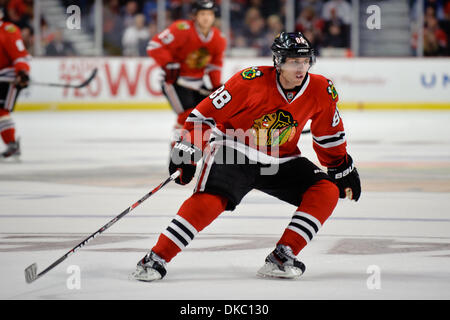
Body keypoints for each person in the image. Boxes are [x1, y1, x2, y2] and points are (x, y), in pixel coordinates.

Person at [131, 32, 361, 281]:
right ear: (278, 61)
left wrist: (340, 165)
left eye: (305, 61)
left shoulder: (321, 90)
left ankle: (283, 255)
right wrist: (187, 148)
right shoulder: (249, 80)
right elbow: (204, 116)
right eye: (293, 61)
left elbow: (329, 134)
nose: (300, 67)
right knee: (211, 201)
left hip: (280, 158)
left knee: (325, 190)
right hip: (236, 148)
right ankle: (156, 258)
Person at [146, 0, 226, 147]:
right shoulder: (181, 29)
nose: (206, 18)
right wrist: (168, 64)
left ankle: (193, 145)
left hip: (198, 82)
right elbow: (155, 45)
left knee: (203, 115)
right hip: (174, 81)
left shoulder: (218, 39)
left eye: (209, 14)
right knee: (187, 115)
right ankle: (176, 144)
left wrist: (215, 85)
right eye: (202, 14)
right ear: (195, 16)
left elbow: (215, 65)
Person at [0, 8, 31, 159]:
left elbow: (20, 55)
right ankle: (11, 144)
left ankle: (12, 143)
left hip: (9, 78)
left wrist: (22, 72)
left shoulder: (8, 30)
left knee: (1, 110)